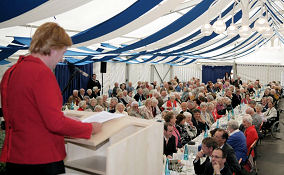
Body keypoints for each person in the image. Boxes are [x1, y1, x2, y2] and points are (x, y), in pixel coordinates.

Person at [0, 22, 102, 175]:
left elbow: (24, 116)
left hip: (16, 157)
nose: (62, 59)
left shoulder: (12, 71)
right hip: (42, 158)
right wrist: (90, 128)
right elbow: (54, 123)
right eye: (63, 52)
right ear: (53, 48)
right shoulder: (43, 74)